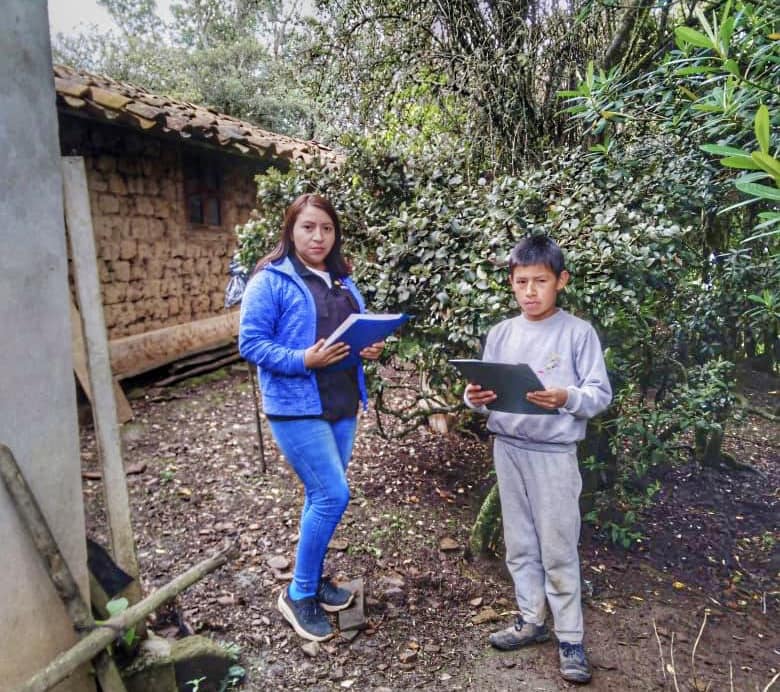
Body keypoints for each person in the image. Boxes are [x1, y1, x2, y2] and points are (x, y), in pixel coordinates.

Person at [464, 235, 612, 684]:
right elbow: (484, 393)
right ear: (511, 283)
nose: (530, 291)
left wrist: (566, 396)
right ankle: (531, 619)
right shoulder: (502, 333)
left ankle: (570, 637)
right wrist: (474, 397)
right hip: (508, 448)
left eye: (540, 281)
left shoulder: (578, 332)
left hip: (554, 454)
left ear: (561, 281)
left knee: (559, 545)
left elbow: (599, 394)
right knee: (520, 542)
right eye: (521, 281)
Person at [238, 193, 384, 642]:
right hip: (297, 406)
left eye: (326, 228)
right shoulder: (271, 280)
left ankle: (314, 577)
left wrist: (368, 347)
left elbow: (347, 335)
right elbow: (252, 344)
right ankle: (299, 594)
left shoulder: (341, 279)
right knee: (332, 495)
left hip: (340, 402)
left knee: (320, 497)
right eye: (308, 227)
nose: (318, 236)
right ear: (291, 230)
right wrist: (305, 358)